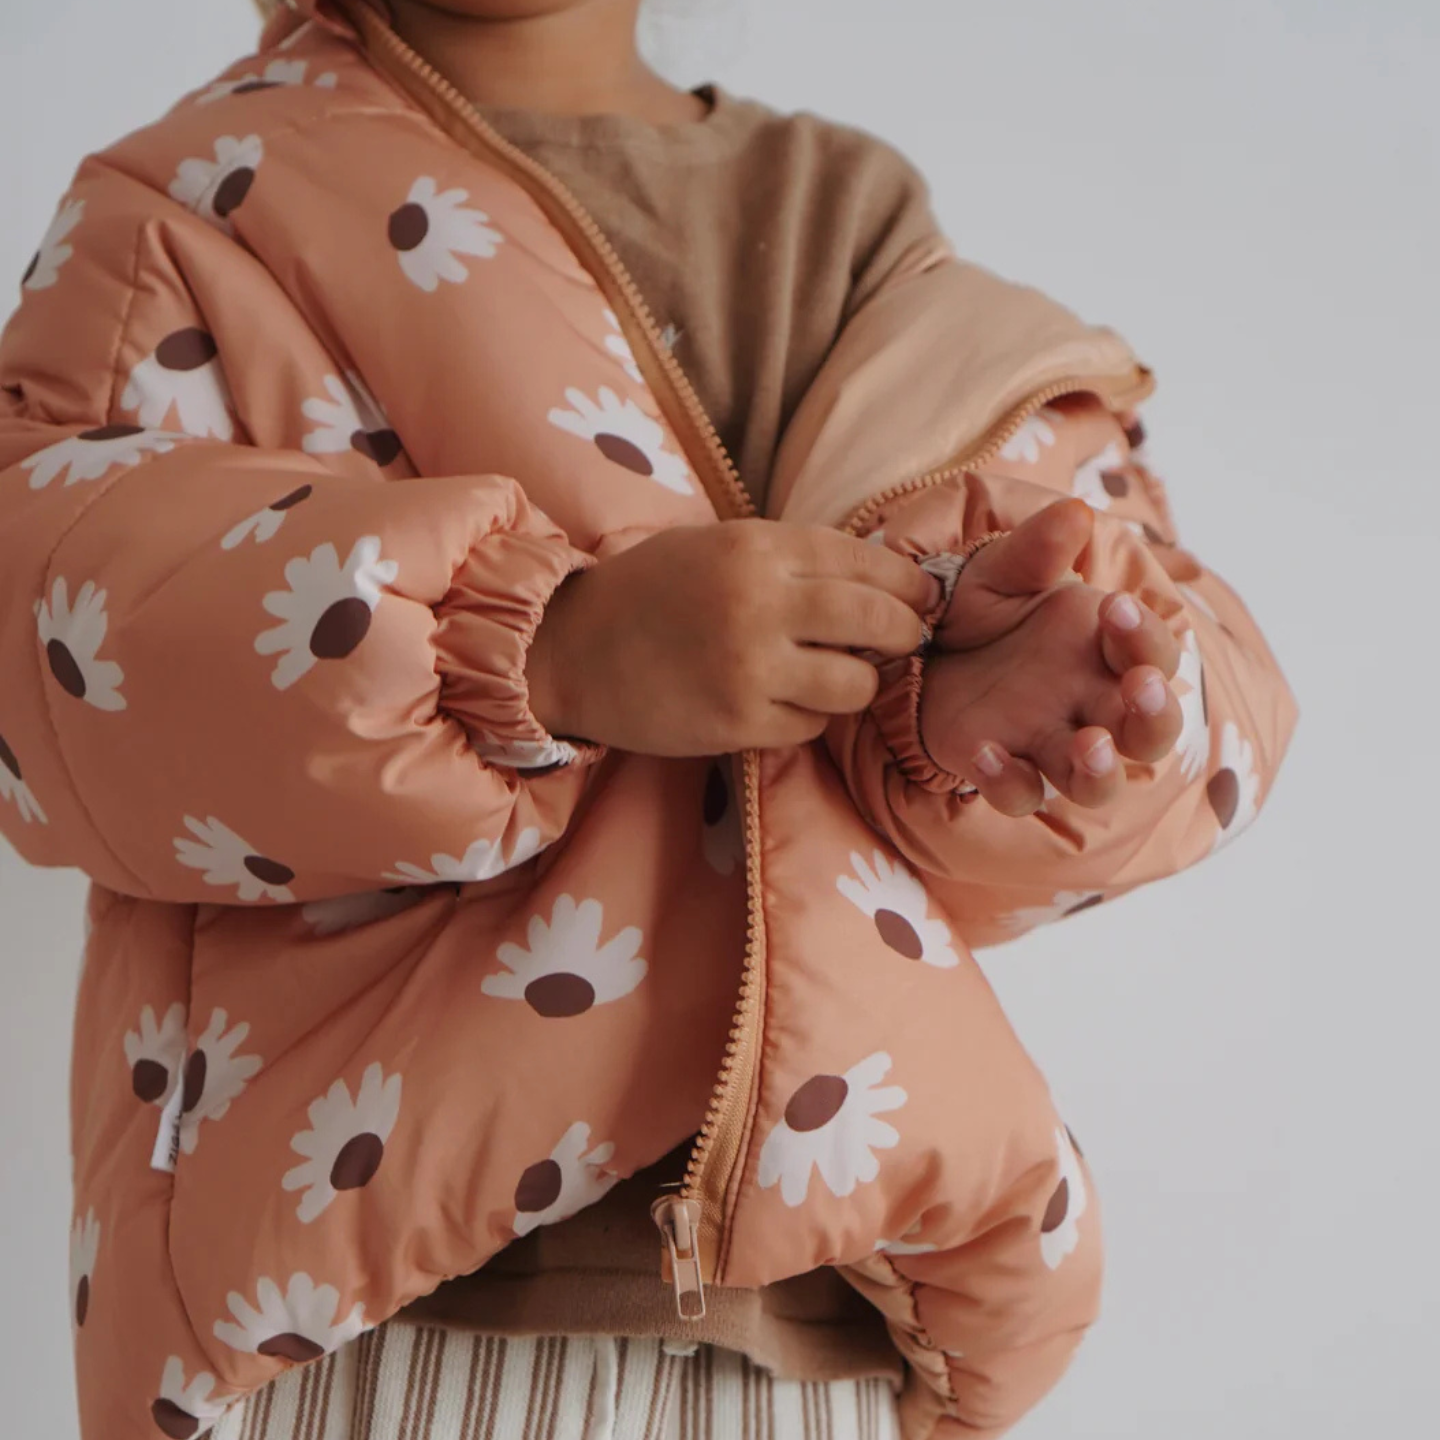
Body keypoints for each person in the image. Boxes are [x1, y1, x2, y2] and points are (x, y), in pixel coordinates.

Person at [0, 1, 1297, 1437]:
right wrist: (537, 648)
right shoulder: (193, 204)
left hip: (823, 1307)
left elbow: (1189, 674)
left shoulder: (840, 211)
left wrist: (986, 685)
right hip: (372, 1314)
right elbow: (53, 635)